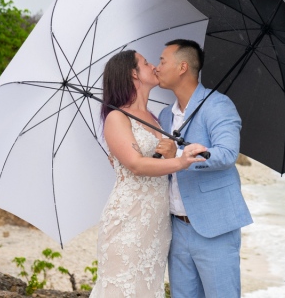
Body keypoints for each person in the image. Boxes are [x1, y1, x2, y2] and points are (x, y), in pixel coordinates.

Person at [91, 49, 206, 298]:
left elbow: (156, 165)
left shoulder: (156, 119)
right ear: (134, 73)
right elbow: (136, 164)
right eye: (146, 62)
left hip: (156, 224)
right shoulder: (116, 117)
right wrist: (180, 161)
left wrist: (170, 153)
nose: (153, 65)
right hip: (129, 219)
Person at [155, 39, 253, 298]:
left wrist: (178, 154)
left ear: (182, 67)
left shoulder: (218, 105)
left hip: (215, 227)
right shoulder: (165, 116)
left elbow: (227, 153)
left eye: (163, 61)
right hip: (176, 229)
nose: (157, 67)